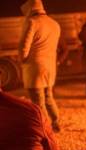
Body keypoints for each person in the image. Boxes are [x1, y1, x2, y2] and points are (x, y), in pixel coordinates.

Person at [19, 0, 61, 132]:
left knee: (38, 101)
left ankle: (45, 129)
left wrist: (23, 59)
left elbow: (24, 45)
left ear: (30, 10)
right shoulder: (55, 24)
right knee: (49, 96)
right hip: (50, 66)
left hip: (35, 67)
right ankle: (56, 121)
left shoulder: (32, 22)